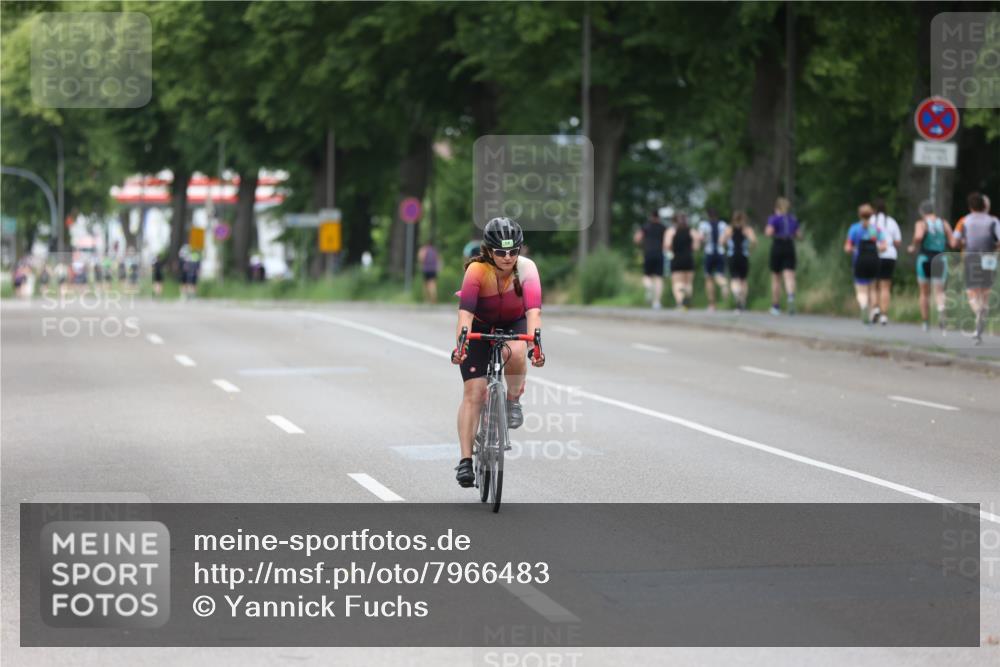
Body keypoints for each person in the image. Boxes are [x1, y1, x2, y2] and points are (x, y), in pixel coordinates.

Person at [450, 217, 544, 487]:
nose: (507, 257)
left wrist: (535, 347)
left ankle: (512, 400)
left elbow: (533, 312)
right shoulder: (477, 271)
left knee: (516, 351)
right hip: (479, 325)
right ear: (489, 251)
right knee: (474, 393)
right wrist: (462, 345)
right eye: (501, 252)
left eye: (513, 251)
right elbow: (465, 314)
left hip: (513, 323)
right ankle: (466, 461)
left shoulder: (527, 269)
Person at [953, 192, 1000, 344]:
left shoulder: (964, 221)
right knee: (985, 292)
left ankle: (978, 313)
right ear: (984, 205)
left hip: (971, 257)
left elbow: (954, 242)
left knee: (972, 292)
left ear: (970, 206)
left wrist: (963, 243)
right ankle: (978, 329)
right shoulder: (993, 221)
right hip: (989, 258)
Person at [907, 200, 954, 332]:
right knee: (939, 291)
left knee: (924, 293)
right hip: (940, 259)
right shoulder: (944, 223)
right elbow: (953, 242)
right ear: (933, 210)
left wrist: (912, 246)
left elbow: (918, 236)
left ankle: (925, 322)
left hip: (924, 259)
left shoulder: (921, 223)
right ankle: (941, 313)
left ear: (922, 212)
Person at [844, 203, 887, 325]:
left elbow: (847, 247)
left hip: (860, 260)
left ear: (859, 215)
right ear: (871, 214)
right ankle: (873, 310)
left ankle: (863, 306)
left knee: (861, 289)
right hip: (874, 260)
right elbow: (884, 246)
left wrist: (853, 249)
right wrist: (875, 248)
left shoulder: (854, 228)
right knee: (873, 288)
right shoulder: (875, 229)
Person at [765, 197, 802, 315]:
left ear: (776, 207)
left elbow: (768, 232)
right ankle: (790, 297)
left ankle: (776, 306)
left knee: (776, 278)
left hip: (778, 245)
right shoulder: (792, 219)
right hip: (789, 246)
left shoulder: (774, 219)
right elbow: (799, 235)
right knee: (789, 275)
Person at [870, 198, 902, 325]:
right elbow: (898, 241)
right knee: (885, 287)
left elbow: (871, 238)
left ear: (875, 209)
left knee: (874, 285)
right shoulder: (892, 222)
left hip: (875, 255)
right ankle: (884, 315)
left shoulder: (872, 221)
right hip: (889, 255)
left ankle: (875, 308)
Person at [721, 210, 757, 311]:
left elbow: (721, 241)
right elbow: (754, 241)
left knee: (734, 279)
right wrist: (750, 250)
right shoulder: (747, 230)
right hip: (743, 256)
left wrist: (726, 247)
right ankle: (743, 300)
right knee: (743, 280)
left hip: (732, 256)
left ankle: (737, 295)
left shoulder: (729, 229)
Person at [633, 211, 667, 309]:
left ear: (651, 217)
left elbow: (637, 239)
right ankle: (657, 303)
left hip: (648, 253)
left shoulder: (646, 227)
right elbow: (666, 242)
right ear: (659, 217)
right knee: (659, 278)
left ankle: (649, 287)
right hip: (659, 253)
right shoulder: (663, 227)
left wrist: (642, 244)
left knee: (647, 276)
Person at [697, 208, 730, 311]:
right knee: (720, 275)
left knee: (709, 278)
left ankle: (712, 304)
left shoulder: (704, 225)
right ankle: (724, 284)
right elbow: (726, 239)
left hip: (709, 252)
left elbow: (701, 238)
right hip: (720, 252)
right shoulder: (723, 225)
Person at [664, 212, 698, 309]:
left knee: (677, 282)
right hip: (688, 258)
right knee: (688, 283)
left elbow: (667, 245)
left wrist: (672, 249)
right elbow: (696, 245)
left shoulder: (671, 231)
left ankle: (680, 303)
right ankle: (687, 300)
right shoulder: (691, 231)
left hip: (677, 258)